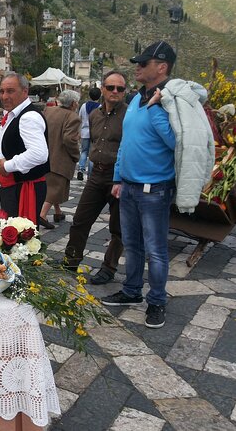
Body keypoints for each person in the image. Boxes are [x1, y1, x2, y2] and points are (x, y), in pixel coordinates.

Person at [101, 41, 178, 329]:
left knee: (156, 250)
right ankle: (132, 292)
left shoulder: (170, 100)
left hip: (154, 189)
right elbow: (126, 142)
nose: (137, 66)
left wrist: (156, 109)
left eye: (143, 63)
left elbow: (176, 142)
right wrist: (119, 177)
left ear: (161, 67)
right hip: (130, 186)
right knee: (131, 244)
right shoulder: (135, 99)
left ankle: (157, 301)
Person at [64, 71, 128, 285]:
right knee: (81, 219)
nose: (115, 92)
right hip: (96, 174)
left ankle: (108, 268)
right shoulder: (94, 115)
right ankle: (71, 259)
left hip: (118, 177)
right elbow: (93, 143)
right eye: (111, 87)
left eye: (120, 88)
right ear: (103, 89)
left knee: (118, 227)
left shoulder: (129, 116)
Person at [0, 72, 49, 225]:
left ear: (25, 91)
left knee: (20, 238)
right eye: (2, 91)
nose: (4, 96)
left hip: (23, 188)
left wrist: (7, 165)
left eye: (10, 91)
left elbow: (39, 153)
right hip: (15, 187)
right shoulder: (15, 114)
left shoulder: (28, 117)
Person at [39, 90, 81, 229]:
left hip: (45, 155)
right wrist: (76, 155)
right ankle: (42, 214)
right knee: (56, 187)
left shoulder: (48, 110)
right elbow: (69, 139)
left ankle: (58, 212)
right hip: (60, 157)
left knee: (52, 185)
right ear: (74, 103)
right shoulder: (72, 117)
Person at [77, 87, 101, 180]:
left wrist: (78, 131)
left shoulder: (83, 106)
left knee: (83, 152)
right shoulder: (100, 107)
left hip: (84, 132)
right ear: (99, 96)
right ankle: (90, 174)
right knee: (92, 154)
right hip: (94, 133)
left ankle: (80, 169)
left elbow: (79, 118)